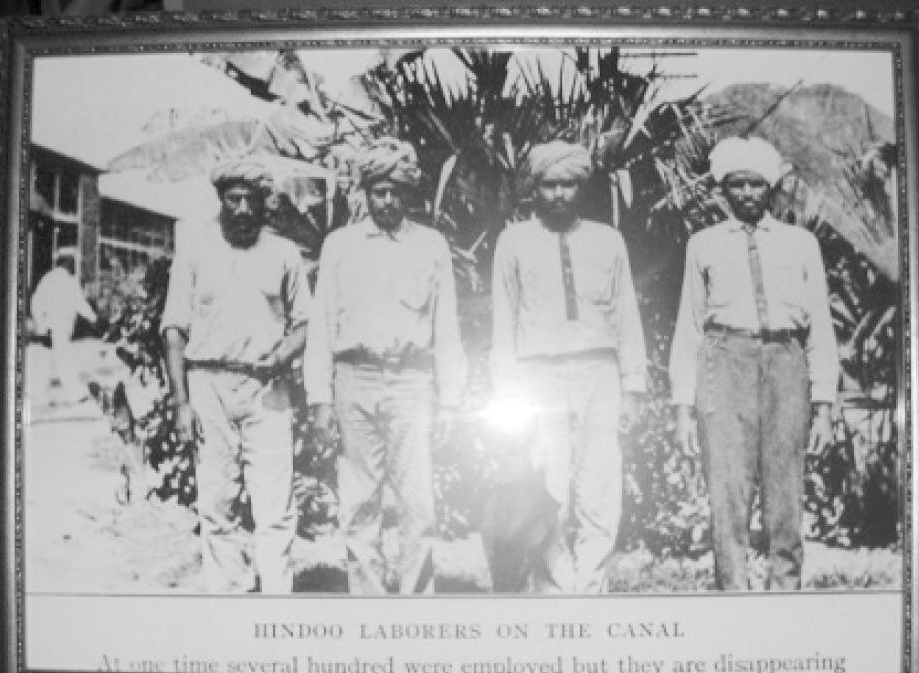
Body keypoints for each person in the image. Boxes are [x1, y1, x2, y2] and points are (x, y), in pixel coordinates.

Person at [669, 136, 840, 591]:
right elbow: (689, 327)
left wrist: (824, 405)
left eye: (755, 185)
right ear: (723, 190)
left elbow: (820, 326)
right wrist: (683, 408)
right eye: (736, 185)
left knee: (786, 487)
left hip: (787, 361)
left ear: (770, 188)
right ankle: (734, 592)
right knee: (728, 488)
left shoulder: (800, 244)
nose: (746, 194)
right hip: (724, 361)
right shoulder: (703, 244)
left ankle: (785, 590)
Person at [303, 138, 467, 594]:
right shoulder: (340, 246)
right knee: (358, 502)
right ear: (366, 192)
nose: (388, 201)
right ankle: (369, 602)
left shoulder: (431, 245)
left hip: (413, 382)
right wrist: (319, 399)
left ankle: (417, 603)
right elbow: (321, 324)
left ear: (409, 193)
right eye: (379, 191)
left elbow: (447, 326)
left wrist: (451, 401)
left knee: (418, 503)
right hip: (354, 380)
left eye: (396, 191)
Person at [489, 140, 648, 594]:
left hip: (599, 373)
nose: (559, 194)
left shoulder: (607, 239)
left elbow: (626, 317)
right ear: (535, 188)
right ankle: (554, 588)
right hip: (539, 377)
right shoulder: (513, 241)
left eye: (568, 185)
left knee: (599, 487)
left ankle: (591, 586)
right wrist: (507, 394)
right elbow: (504, 322)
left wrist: (633, 388)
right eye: (549, 184)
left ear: (581, 187)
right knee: (548, 488)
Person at [160, 159, 310, 594]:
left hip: (268, 389)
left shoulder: (284, 253)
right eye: (233, 199)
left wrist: (281, 355)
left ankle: (275, 602)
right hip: (209, 386)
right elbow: (174, 330)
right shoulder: (195, 248)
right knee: (216, 501)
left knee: (275, 505)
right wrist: (180, 402)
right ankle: (224, 601)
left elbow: (305, 323)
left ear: (264, 203)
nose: (243, 208)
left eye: (251, 199)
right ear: (221, 200)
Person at [30, 249, 98, 403]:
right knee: (63, 360)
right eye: (73, 262)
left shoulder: (47, 278)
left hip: (47, 327)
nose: (75, 265)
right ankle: (75, 394)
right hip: (60, 327)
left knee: (47, 360)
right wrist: (93, 318)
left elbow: (35, 301)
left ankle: (36, 393)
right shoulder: (68, 280)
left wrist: (40, 321)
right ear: (67, 262)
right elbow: (79, 303)